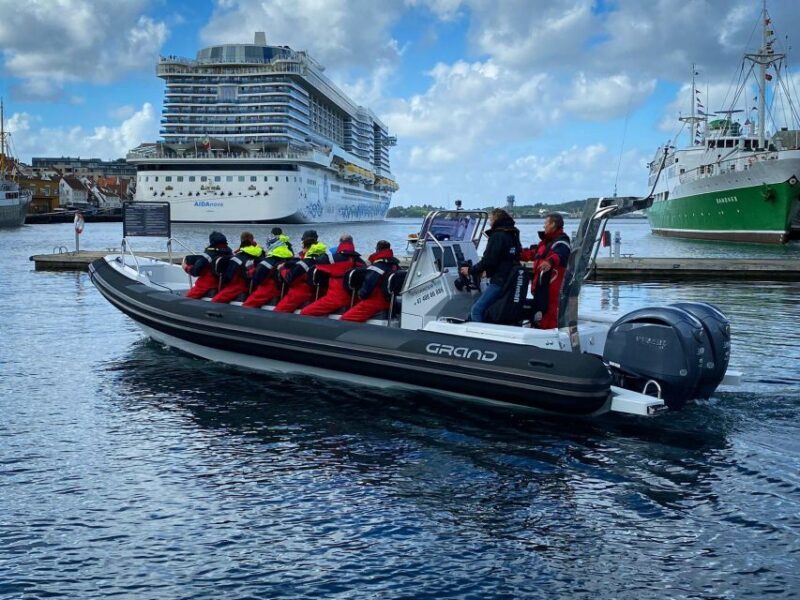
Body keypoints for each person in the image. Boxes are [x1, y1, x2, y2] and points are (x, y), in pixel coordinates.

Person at [459, 208, 522, 322]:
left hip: (499, 280)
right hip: (509, 279)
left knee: (476, 310)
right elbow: (509, 257)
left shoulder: (497, 236)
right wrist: (486, 271)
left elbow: (489, 260)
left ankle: (479, 337)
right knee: (486, 308)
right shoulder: (512, 234)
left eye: (491, 219)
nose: (489, 222)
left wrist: (470, 270)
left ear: (496, 219)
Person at [520, 212, 571, 329]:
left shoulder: (562, 242)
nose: (544, 226)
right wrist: (517, 253)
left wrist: (550, 262)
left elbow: (560, 255)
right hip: (541, 287)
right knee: (542, 311)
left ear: (553, 224)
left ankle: (550, 338)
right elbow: (532, 254)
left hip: (552, 287)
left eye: (546, 223)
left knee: (550, 314)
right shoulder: (545, 243)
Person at [300, 234, 366, 317]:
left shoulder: (333, 258)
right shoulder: (359, 260)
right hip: (353, 297)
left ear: (340, 243)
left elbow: (318, 262)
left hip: (335, 297)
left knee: (305, 312)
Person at [340, 240, 399, 322]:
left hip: (376, 301)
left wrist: (360, 294)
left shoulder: (378, 266)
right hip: (390, 300)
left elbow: (368, 284)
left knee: (345, 318)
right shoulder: (394, 263)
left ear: (377, 250)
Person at [273, 230, 329, 313]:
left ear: (306, 245)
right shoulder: (322, 256)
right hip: (317, 290)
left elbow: (289, 278)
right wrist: (288, 264)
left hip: (301, 291)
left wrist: (282, 269)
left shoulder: (305, 261)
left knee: (279, 310)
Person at [242, 232, 294, 309]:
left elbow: (256, 279)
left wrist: (250, 268)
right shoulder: (290, 257)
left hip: (269, 289)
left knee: (247, 305)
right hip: (283, 289)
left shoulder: (268, 260)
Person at [211, 231, 263, 303]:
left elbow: (228, 276)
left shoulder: (238, 256)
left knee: (216, 300)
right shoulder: (261, 252)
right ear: (252, 240)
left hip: (239, 286)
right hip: (256, 286)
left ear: (242, 241)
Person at [183, 231, 232, 299]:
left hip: (206, 286)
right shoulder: (230, 254)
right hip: (223, 286)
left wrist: (186, 267)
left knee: (187, 299)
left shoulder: (207, 256)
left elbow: (195, 271)